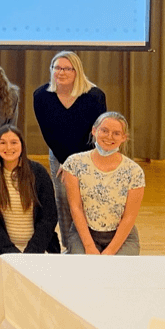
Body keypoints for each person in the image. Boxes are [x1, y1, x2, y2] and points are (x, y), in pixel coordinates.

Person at [32, 50, 107, 250]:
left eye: (67, 68)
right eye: (57, 68)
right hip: (59, 155)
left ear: (77, 71)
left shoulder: (95, 96)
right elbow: (49, 134)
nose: (61, 72)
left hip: (90, 154)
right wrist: (66, 163)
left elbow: (98, 133)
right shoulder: (41, 96)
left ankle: (92, 243)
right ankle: (70, 247)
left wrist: (77, 163)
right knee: (64, 200)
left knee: (90, 198)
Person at [61, 112, 144, 255]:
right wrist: (89, 246)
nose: (109, 137)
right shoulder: (74, 164)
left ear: (124, 138)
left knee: (117, 268)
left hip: (121, 236)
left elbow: (129, 217)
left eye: (116, 133)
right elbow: (76, 207)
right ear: (94, 131)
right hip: (85, 233)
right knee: (84, 266)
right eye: (104, 130)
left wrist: (110, 251)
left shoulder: (134, 171)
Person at [0, 126, 59, 271]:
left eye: (14, 142)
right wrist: (11, 252)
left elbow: (49, 218)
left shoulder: (39, 173)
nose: (8, 147)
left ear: (22, 145)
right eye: (3, 143)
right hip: (1, 248)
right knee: (6, 280)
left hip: (37, 247)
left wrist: (31, 252)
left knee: (37, 281)